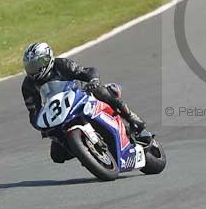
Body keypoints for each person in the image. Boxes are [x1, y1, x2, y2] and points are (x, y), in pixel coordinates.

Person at [21, 42, 152, 163]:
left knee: (100, 91)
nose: (34, 70)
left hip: (80, 97)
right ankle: (85, 151)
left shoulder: (61, 65)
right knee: (57, 156)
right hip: (59, 114)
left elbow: (86, 71)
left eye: (36, 65)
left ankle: (130, 116)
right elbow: (33, 111)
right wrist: (41, 126)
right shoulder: (28, 85)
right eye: (30, 66)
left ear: (46, 60)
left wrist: (93, 80)